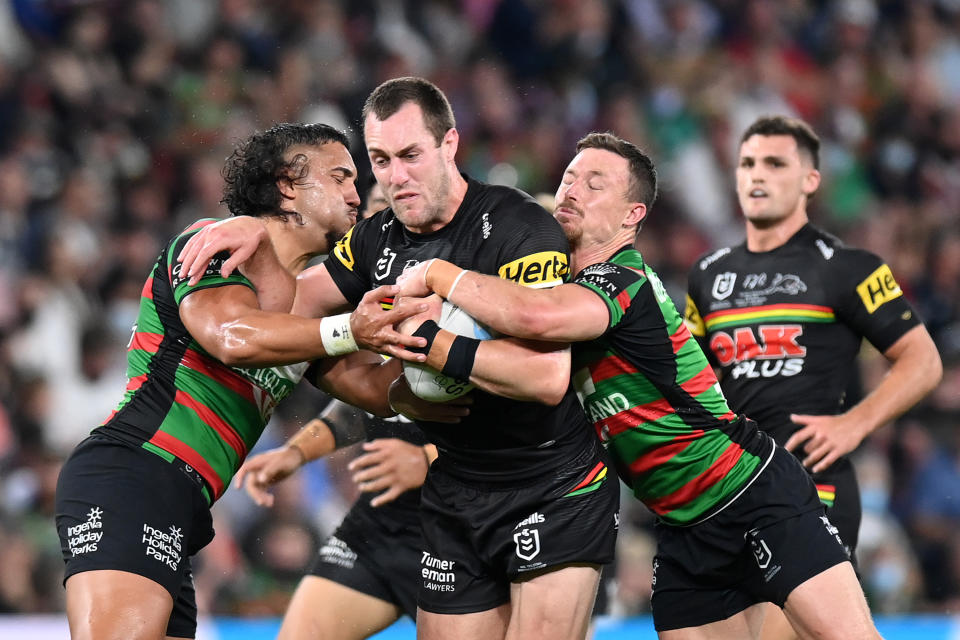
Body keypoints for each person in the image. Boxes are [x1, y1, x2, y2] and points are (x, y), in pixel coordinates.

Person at [178, 76, 620, 640]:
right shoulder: (375, 239)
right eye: (381, 161)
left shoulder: (519, 228)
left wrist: (427, 343)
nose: (396, 177)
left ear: (449, 145)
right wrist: (261, 234)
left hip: (550, 483)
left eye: (410, 155)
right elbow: (289, 310)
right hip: (456, 492)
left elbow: (546, 376)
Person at [395, 131, 882, 639]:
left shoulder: (625, 279)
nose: (571, 190)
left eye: (594, 183)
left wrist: (436, 273)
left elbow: (540, 318)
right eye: (568, 178)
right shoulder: (549, 289)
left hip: (751, 492)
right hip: (679, 527)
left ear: (632, 215)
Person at [53, 123, 428, 640]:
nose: (355, 193)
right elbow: (233, 335)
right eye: (340, 175)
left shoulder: (306, 310)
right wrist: (348, 330)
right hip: (133, 471)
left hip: (180, 502)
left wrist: (450, 362)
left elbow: (373, 393)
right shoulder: (213, 244)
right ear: (287, 184)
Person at [683, 115, 943, 640]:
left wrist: (854, 424)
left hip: (810, 485)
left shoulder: (848, 267)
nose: (758, 175)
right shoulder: (708, 273)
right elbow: (690, 377)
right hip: (728, 488)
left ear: (810, 180)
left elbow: (923, 360)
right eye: (748, 163)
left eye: (776, 164)